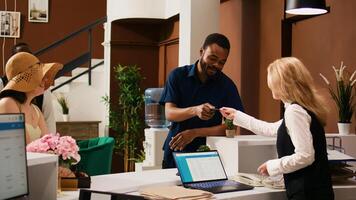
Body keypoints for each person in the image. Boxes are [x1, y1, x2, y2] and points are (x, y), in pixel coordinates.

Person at [220, 57, 334, 200]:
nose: (270, 85)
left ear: (283, 83)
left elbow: (305, 156)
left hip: (307, 193)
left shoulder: (294, 112)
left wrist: (272, 166)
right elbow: (270, 129)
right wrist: (236, 116)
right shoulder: (302, 109)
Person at [159, 33, 244, 168]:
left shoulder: (227, 85)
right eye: (212, 58)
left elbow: (232, 126)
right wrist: (195, 110)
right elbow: (169, 113)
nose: (216, 65)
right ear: (201, 52)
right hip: (176, 152)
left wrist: (195, 133)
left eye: (222, 62)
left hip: (209, 155)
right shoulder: (177, 76)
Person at [0, 52, 63, 144]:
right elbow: (24, 146)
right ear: (26, 81)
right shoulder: (8, 103)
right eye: (40, 76)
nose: (45, 79)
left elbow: (49, 143)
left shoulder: (35, 109)